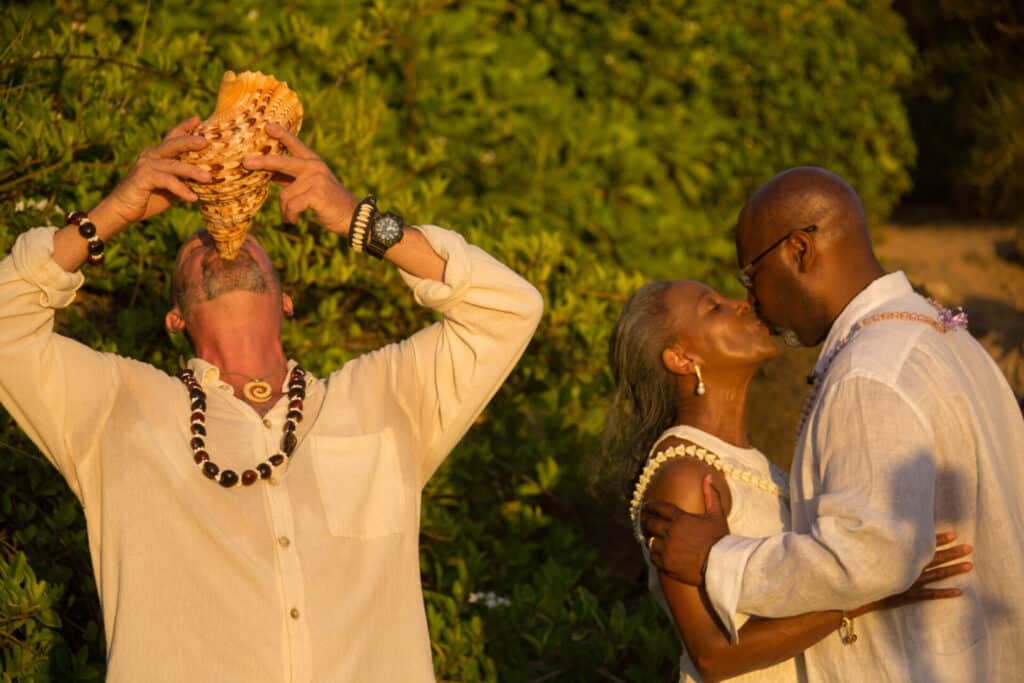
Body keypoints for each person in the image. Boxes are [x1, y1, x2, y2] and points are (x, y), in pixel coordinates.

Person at [0, 117, 543, 681]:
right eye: (194, 246)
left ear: (286, 302)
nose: (219, 237)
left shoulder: (385, 396)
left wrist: (362, 222)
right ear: (175, 318)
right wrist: (109, 216)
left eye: (247, 239)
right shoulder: (115, 406)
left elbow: (509, 308)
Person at [641, 167, 1024, 681]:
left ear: (799, 251)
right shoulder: (942, 339)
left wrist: (718, 558)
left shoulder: (868, 375)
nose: (750, 301)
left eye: (750, 277)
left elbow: (871, 556)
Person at [604, 279, 972, 682]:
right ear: (679, 357)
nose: (741, 304)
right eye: (713, 308)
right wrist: (867, 591)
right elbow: (713, 657)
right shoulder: (684, 474)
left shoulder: (753, 464)